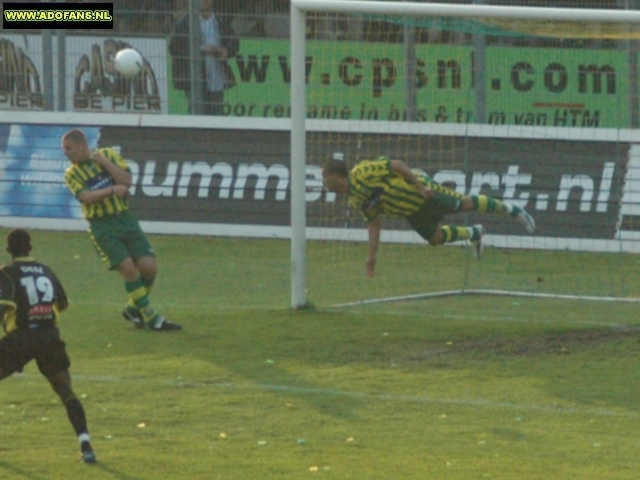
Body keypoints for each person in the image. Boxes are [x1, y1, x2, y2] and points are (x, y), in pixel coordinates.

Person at [322, 156, 536, 277]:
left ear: (334, 176)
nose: (325, 184)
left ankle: (513, 210)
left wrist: (421, 186)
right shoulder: (355, 199)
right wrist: (372, 257)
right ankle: (474, 234)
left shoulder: (363, 172)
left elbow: (398, 166)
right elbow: (374, 224)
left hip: (422, 194)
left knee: (463, 203)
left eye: (325, 178)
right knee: (434, 238)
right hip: (412, 212)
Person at [61, 129, 182, 332]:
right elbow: (86, 197)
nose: (65, 153)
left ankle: (133, 309)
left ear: (82, 146)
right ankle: (151, 318)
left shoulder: (107, 155)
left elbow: (126, 181)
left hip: (125, 219)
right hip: (102, 225)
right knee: (128, 269)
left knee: (149, 268)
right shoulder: (71, 174)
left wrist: (105, 164)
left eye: (68, 148)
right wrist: (110, 190)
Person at [0, 228, 97, 464]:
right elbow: (61, 304)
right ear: (30, 248)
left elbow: (2, 307)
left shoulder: (7, 273)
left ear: (8, 250)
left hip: (20, 339)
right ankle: (86, 445)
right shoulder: (46, 270)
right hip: (49, 338)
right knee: (66, 391)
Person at [169, 0, 239, 115]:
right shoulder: (184, 23)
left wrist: (226, 51)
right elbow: (174, 48)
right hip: (194, 78)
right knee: (197, 113)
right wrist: (200, 49)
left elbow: (234, 42)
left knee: (216, 114)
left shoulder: (220, 20)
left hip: (216, 76)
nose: (204, 1)